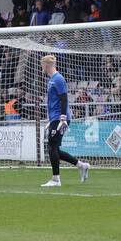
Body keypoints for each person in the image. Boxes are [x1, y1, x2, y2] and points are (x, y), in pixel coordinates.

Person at [39, 55, 90, 188]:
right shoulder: (51, 80)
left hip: (60, 118)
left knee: (51, 146)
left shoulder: (58, 79)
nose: (41, 67)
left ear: (47, 65)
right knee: (55, 148)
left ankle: (56, 179)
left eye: (42, 64)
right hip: (54, 118)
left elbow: (64, 99)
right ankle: (81, 165)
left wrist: (62, 117)